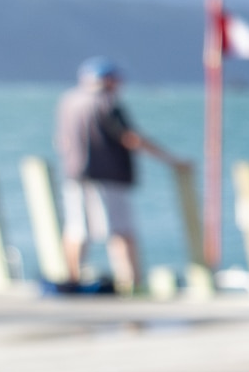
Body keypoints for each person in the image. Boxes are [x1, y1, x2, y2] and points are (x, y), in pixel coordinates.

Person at [52, 56, 184, 293]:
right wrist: (170, 159)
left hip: (74, 174)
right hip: (107, 176)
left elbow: (60, 141)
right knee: (121, 231)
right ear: (109, 80)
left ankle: (72, 278)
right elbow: (130, 138)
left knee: (76, 229)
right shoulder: (106, 103)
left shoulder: (69, 101)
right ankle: (131, 284)